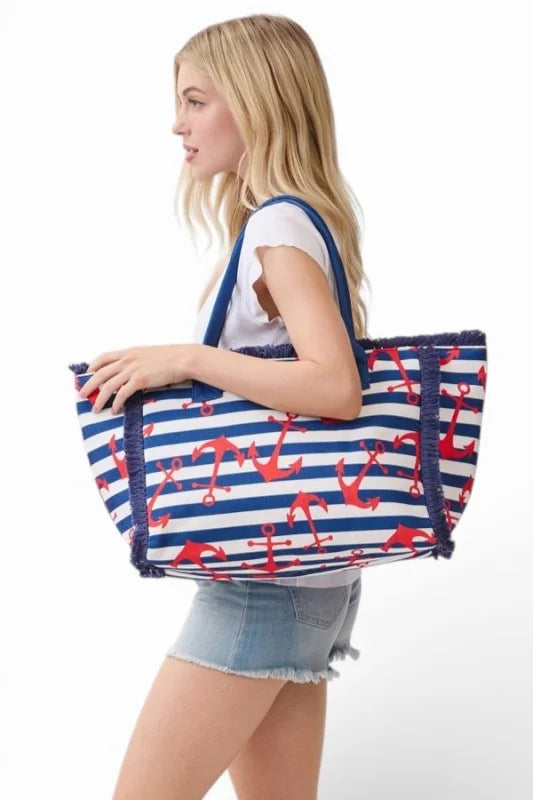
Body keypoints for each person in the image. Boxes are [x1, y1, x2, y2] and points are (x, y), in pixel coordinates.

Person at [101, 13, 370, 800]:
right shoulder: (300, 220)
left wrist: (184, 359)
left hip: (262, 580)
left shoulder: (277, 227)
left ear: (253, 103)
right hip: (312, 576)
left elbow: (334, 386)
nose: (176, 124)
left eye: (194, 100)